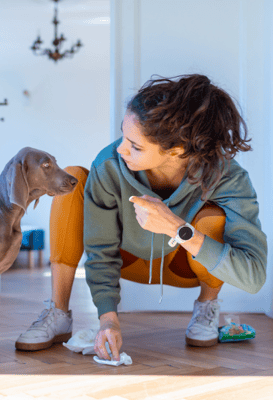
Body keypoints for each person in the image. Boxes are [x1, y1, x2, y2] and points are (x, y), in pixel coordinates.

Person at [15, 74, 267, 361]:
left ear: (177, 151)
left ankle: (206, 307)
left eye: (135, 146)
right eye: (124, 135)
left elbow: (254, 277)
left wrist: (176, 227)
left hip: (183, 268)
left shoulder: (228, 178)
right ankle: (58, 311)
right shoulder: (110, 164)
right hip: (128, 258)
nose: (121, 149)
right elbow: (100, 250)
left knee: (213, 218)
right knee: (73, 177)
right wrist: (108, 320)